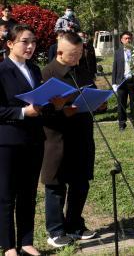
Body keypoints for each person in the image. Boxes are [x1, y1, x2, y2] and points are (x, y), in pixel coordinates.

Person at [41, 32, 98, 248]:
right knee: (56, 185)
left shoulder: (81, 70)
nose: (77, 58)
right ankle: (55, 230)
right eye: (73, 55)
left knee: (80, 182)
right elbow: (42, 110)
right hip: (57, 139)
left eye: (80, 53)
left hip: (82, 135)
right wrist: (62, 111)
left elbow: (90, 92)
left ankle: (75, 224)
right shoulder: (48, 73)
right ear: (60, 52)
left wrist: (99, 104)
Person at [0, 24, 44, 256]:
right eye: (25, 41)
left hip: (34, 139)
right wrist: (22, 113)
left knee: (28, 194)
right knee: (6, 195)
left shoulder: (35, 70)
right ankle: (8, 246)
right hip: (8, 141)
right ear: (10, 44)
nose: (30, 46)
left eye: (33, 42)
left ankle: (26, 241)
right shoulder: (2, 71)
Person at [112, 31, 134, 131]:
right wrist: (114, 83)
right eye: (126, 38)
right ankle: (122, 124)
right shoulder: (118, 52)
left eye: (129, 38)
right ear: (121, 40)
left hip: (132, 81)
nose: (128, 40)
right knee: (121, 104)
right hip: (121, 81)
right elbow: (115, 67)